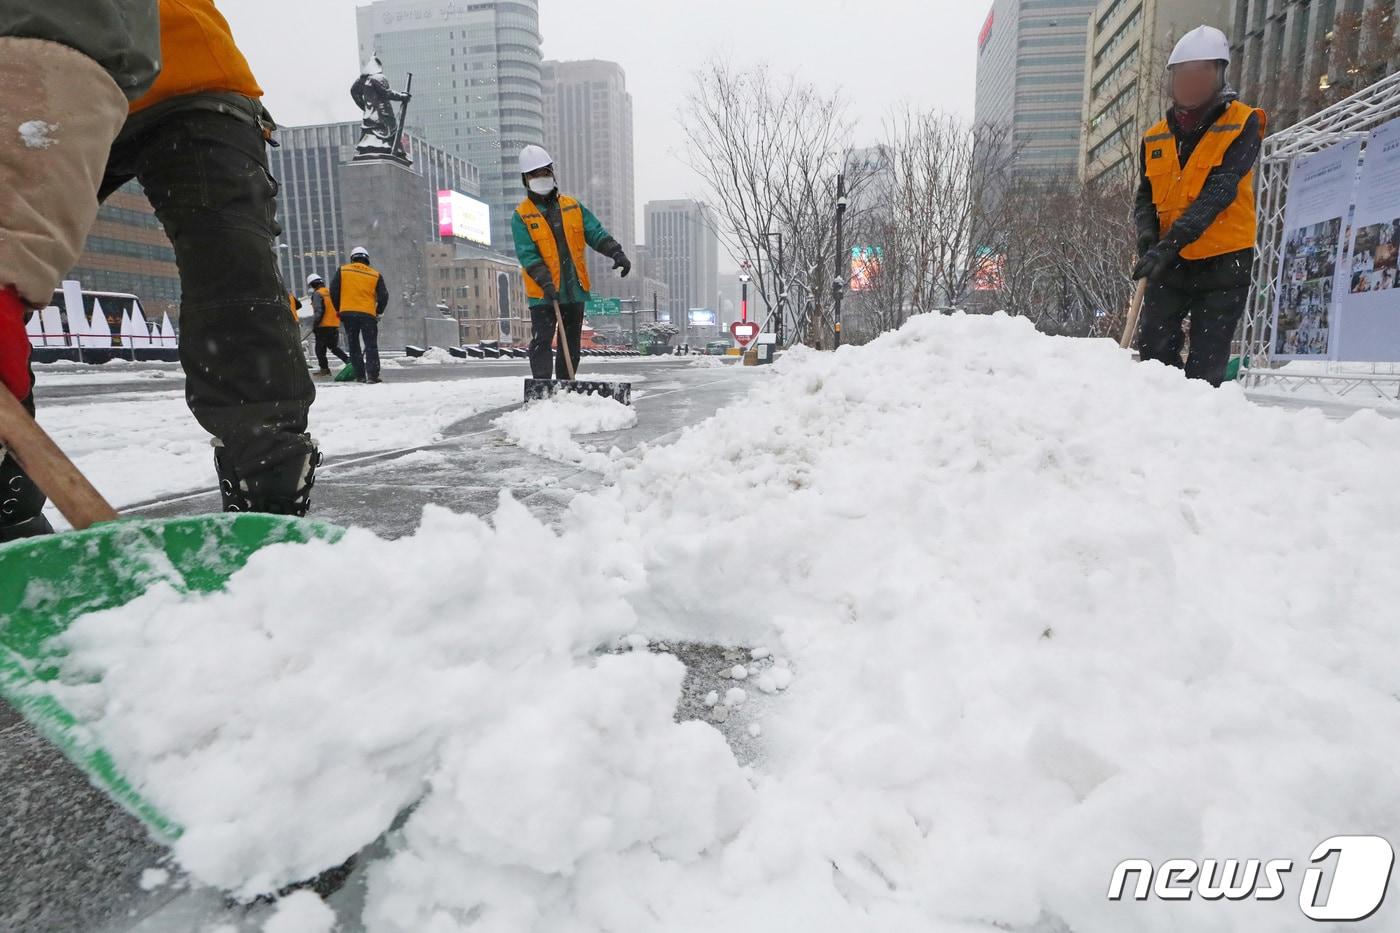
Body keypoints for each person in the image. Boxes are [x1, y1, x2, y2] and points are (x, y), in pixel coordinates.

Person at [0, 0, 319, 538]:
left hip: (186, 73)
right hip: (35, 62)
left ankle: (268, 488)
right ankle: (8, 502)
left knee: (230, 267)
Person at [1131, 25, 1266, 387]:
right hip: (1169, 257)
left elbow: (1218, 193)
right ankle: (1153, 425)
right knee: (1154, 349)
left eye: (1199, 75)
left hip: (1224, 259)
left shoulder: (1243, 123)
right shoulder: (1155, 136)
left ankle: (1196, 432)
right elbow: (1145, 195)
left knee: (1207, 364)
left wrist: (1168, 244)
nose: (1189, 84)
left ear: (1218, 76)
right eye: (1182, 76)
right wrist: (1147, 236)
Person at [511, 145, 631, 381]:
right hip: (542, 293)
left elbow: (595, 232)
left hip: (574, 289)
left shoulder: (572, 207)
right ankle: (543, 388)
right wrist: (545, 280)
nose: (541, 178)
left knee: (571, 343)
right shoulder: (522, 216)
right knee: (542, 340)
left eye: (545, 172)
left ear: (553, 173)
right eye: (535, 174)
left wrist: (616, 252)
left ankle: (566, 386)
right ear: (525, 179)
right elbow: (528, 254)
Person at [329, 247, 388, 384]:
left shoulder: (343, 271)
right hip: (368, 314)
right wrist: (378, 311)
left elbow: (334, 291)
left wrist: (339, 308)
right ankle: (373, 376)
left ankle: (360, 375)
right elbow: (384, 296)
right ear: (367, 259)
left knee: (353, 344)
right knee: (371, 344)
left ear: (352, 258)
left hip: (348, 314)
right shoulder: (375, 274)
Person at [307, 273, 349, 376]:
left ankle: (324, 369)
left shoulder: (317, 294)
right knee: (334, 347)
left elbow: (319, 310)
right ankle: (350, 362)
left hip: (323, 326)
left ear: (312, 285)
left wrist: (315, 324)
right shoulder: (330, 292)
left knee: (320, 349)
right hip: (334, 325)